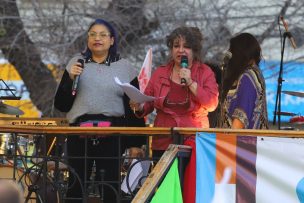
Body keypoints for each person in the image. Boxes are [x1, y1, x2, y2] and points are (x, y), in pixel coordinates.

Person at [54, 18, 145, 202]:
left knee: (109, 188)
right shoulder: (76, 63)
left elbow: (133, 106)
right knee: (75, 187)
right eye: (93, 34)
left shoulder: (124, 67)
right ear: (87, 39)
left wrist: (136, 142)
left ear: (112, 40)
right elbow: (61, 104)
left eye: (103, 35)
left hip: (111, 133)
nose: (97, 38)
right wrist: (70, 78)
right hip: (79, 133)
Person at [129, 26, 219, 203]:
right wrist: (138, 105)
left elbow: (212, 104)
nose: (180, 50)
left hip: (194, 141)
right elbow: (148, 103)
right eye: (176, 45)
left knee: (190, 189)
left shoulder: (205, 72)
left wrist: (191, 82)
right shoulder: (161, 72)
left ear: (194, 50)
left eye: (186, 46)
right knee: (165, 190)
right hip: (164, 139)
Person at [219, 33, 269, 129]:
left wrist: (228, 141)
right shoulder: (253, 74)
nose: (230, 55)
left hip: (241, 142)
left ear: (240, 53)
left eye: (232, 51)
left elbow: (240, 117)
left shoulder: (248, 77)